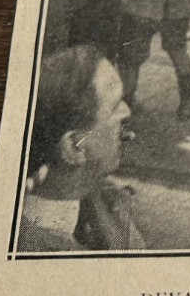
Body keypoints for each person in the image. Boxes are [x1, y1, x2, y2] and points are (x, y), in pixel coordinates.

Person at [20, 44, 142, 252]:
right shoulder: (41, 252)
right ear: (75, 147)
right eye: (115, 107)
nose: (127, 111)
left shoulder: (106, 200)